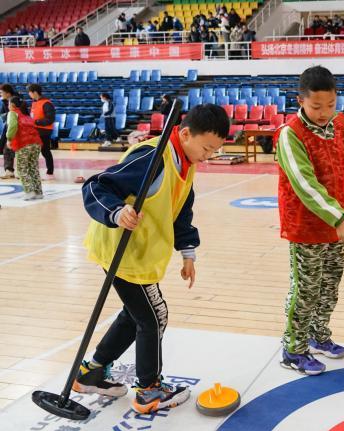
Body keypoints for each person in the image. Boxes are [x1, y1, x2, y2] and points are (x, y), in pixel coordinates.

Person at [75, 104, 230, 413]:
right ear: (185, 134)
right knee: (153, 317)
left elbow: (181, 208)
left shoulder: (185, 161)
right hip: (123, 252)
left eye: (215, 150)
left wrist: (188, 252)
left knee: (136, 314)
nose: (209, 155)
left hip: (141, 253)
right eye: (207, 148)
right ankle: (149, 389)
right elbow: (96, 186)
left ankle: (91, 371)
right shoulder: (152, 157)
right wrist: (116, 212)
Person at [273, 66, 344, 376]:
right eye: (316, 106)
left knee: (330, 285)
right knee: (306, 289)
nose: (324, 113)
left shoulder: (341, 125)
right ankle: (293, 349)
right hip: (306, 226)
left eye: (331, 105)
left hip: (337, 225)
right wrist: (338, 217)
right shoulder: (290, 134)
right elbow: (305, 184)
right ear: (301, 100)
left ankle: (318, 334)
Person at [6, 96, 43, 200]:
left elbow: (13, 126)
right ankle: (38, 192)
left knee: (22, 168)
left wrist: (9, 139)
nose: (8, 106)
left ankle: (29, 191)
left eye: (8, 103)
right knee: (33, 168)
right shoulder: (26, 115)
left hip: (24, 143)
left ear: (12, 105)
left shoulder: (13, 113)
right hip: (36, 143)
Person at [27, 84, 55, 180]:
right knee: (34, 152)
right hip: (35, 130)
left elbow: (50, 119)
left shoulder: (46, 103)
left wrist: (36, 122)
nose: (29, 94)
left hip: (44, 131)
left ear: (34, 92)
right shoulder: (34, 103)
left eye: (29, 93)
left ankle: (50, 173)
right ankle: (33, 173)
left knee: (45, 151)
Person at [0, 84, 18, 179]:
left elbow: (22, 114)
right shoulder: (3, 102)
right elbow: (2, 116)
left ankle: (21, 172)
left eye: (1, 92)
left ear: (7, 93)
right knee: (7, 150)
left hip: (19, 129)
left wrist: (10, 115)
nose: (0, 94)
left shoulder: (18, 100)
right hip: (8, 128)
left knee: (19, 150)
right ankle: (9, 171)